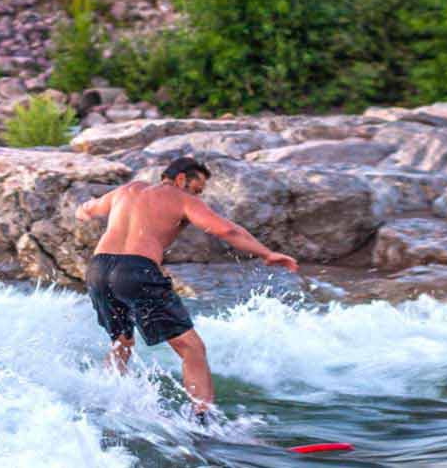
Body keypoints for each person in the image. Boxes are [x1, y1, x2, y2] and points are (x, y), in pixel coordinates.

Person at [77, 157, 300, 418]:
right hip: (135, 271)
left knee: (121, 341)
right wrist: (266, 253)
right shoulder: (180, 197)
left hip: (98, 269)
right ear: (181, 179)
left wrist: (83, 211)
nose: (197, 196)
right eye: (196, 190)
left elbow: (88, 209)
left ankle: (103, 402)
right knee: (192, 349)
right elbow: (227, 230)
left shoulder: (126, 190)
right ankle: (204, 419)